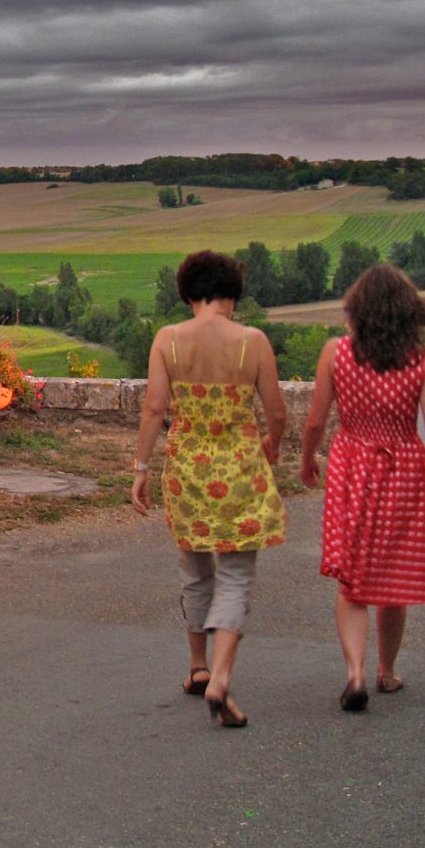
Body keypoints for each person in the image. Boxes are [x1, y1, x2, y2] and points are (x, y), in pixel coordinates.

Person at [299, 263, 425, 712]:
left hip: (351, 467)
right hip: (404, 471)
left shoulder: (335, 353)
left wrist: (307, 460)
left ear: (357, 308)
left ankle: (355, 672)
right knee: (393, 576)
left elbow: (316, 420)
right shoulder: (421, 361)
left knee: (352, 578)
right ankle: (386, 671)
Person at [130, 251, 287, 728]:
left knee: (195, 570)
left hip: (188, 471)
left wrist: (140, 468)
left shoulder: (168, 340)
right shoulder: (252, 342)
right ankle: (220, 678)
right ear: (230, 295)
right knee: (235, 576)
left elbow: (154, 408)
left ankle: (198, 666)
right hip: (240, 470)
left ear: (188, 293)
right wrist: (272, 446)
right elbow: (277, 412)